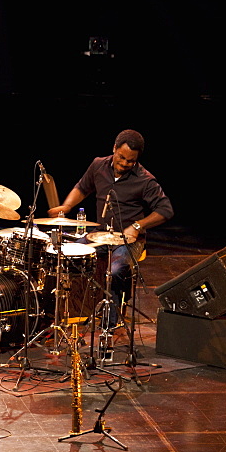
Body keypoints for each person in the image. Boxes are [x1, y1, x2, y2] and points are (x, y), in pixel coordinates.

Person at [47, 129, 173, 328]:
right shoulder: (98, 165)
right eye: (121, 157)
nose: (124, 163)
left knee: (114, 271)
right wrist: (67, 206)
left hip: (129, 241)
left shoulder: (145, 179)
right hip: (101, 235)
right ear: (114, 148)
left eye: (130, 161)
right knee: (71, 256)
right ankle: (79, 310)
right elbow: (82, 187)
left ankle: (110, 324)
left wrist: (137, 226)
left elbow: (166, 210)